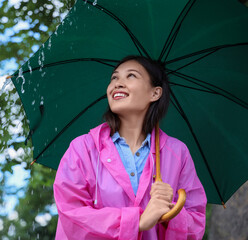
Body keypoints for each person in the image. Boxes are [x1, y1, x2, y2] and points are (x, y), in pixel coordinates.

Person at [53, 55, 207, 239]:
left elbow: (196, 224)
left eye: (131, 76)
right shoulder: (83, 149)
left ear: (155, 93)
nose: (117, 83)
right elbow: (72, 215)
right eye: (114, 78)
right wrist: (136, 223)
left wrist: (171, 210)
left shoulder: (178, 153)